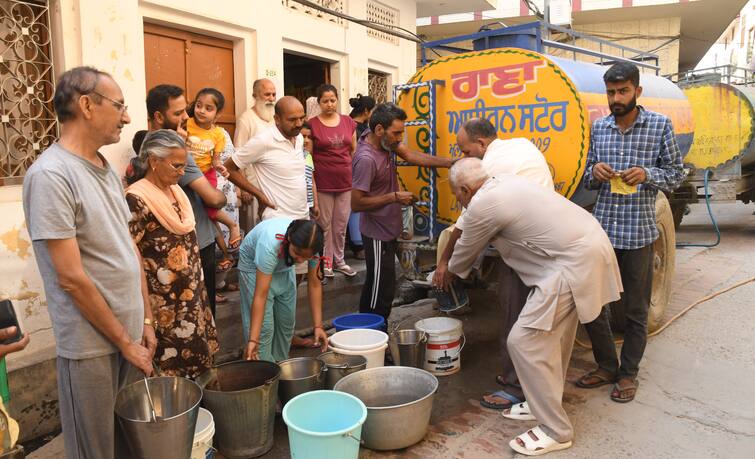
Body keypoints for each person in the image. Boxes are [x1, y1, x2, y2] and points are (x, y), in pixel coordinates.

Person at [446, 158, 622, 456]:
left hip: (570, 265)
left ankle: (556, 430)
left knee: (524, 341)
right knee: (553, 341)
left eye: (457, 196)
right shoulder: (505, 180)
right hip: (585, 249)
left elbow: (463, 253)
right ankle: (537, 400)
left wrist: (447, 273)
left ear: (464, 189)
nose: (459, 202)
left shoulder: (484, 203)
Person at [23, 66, 155, 458]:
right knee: (96, 449)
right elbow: (71, 278)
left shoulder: (106, 168)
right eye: (119, 106)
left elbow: (127, 245)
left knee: (129, 444)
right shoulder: (51, 175)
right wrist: (124, 342)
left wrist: (145, 320)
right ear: (86, 105)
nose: (127, 117)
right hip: (92, 345)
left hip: (128, 335)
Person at [577, 62, 684, 403]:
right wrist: (595, 171)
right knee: (595, 306)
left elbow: (676, 175)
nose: (616, 98)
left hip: (638, 233)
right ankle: (607, 365)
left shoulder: (659, 125)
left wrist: (647, 174)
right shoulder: (600, 128)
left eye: (623, 91)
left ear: (637, 91)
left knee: (636, 311)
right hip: (604, 232)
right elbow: (586, 180)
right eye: (611, 92)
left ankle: (628, 374)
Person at [432, 118, 554, 411]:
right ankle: (521, 376)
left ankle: (516, 388)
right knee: (527, 315)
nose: (464, 157)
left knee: (516, 315)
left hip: (528, 248)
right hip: (543, 241)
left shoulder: (490, 169)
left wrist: (446, 265)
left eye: (465, 151)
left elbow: (468, 221)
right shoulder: (520, 144)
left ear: (482, 144)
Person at [125, 130, 219, 379]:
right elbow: (131, 259)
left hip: (192, 301)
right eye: (176, 166)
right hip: (165, 309)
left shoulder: (177, 193)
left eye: (184, 166)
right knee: (172, 380)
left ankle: (200, 415)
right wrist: (146, 319)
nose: (181, 172)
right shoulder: (136, 199)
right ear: (154, 162)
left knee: (200, 368)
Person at [351, 102, 454, 323]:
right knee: (380, 291)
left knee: (380, 286)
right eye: (396, 133)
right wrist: (395, 197)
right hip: (376, 234)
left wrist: (450, 163)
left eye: (402, 132)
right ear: (379, 130)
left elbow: (411, 156)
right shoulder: (366, 159)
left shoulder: (384, 141)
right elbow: (356, 203)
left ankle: (371, 334)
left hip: (389, 229)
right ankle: (374, 338)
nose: (400, 138)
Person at [139, 84, 227, 316]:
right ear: (158, 117)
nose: (187, 116)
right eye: (178, 113)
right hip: (194, 243)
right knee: (199, 314)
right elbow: (214, 199)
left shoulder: (145, 147)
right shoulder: (172, 152)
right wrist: (224, 194)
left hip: (182, 243)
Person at [240, 219, 329, 362]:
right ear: (289, 239)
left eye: (306, 257)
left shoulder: (312, 248)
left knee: (286, 322)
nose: (300, 260)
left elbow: (314, 285)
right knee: (264, 329)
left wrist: (318, 326)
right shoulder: (270, 244)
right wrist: (253, 340)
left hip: (284, 266)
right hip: (254, 268)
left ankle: (281, 365)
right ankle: (265, 371)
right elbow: (261, 295)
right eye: (297, 253)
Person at [309, 84, 358, 278]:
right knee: (324, 224)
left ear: (337, 100)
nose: (329, 104)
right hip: (323, 182)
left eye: (332, 100)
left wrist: (346, 169)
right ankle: (326, 262)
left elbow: (353, 150)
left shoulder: (348, 122)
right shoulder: (312, 124)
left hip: (345, 181)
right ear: (319, 102)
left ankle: (340, 261)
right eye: (325, 101)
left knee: (341, 224)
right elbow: (309, 156)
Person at [186, 87, 241, 250]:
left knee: (210, 208)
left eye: (208, 108)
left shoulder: (218, 134)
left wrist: (222, 169)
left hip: (206, 173)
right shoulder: (186, 124)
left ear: (217, 114)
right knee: (201, 213)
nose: (201, 111)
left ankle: (232, 225)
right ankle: (224, 253)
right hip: (188, 173)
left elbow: (216, 161)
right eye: (199, 105)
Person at [235, 78, 277, 233]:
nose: (271, 98)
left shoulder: (275, 118)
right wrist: (244, 188)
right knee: (255, 227)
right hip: (253, 185)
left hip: (273, 183)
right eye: (267, 94)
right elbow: (237, 154)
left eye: (273, 94)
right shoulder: (246, 119)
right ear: (255, 95)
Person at [347, 94, 376, 260]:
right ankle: (358, 246)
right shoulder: (360, 129)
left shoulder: (346, 123)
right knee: (356, 209)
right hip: (356, 172)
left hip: (350, 171)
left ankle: (357, 245)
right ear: (366, 111)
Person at [300, 121, 320, 220]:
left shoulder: (308, 156)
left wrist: (315, 204)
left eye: (309, 137)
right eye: (303, 136)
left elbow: (312, 182)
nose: (306, 140)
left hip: (309, 205)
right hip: (298, 204)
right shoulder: (293, 156)